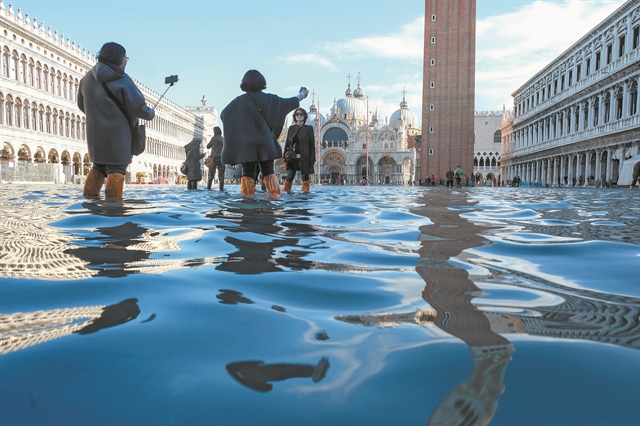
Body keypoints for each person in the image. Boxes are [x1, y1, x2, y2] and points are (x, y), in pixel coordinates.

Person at [78, 42, 155, 200]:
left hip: (95, 136)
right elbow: (138, 107)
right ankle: (113, 211)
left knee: (98, 168)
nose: (126, 61)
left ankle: (90, 207)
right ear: (120, 59)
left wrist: (99, 115)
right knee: (116, 169)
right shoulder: (122, 79)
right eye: (126, 58)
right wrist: (150, 113)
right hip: (118, 137)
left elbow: (81, 104)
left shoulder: (86, 79)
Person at [220, 70, 308, 196]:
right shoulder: (271, 99)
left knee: (248, 173)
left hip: (247, 145)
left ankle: (247, 202)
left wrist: (240, 128)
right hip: (266, 143)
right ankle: (274, 200)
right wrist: (302, 94)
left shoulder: (238, 102)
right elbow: (290, 102)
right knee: (268, 172)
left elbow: (224, 115)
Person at [283, 108, 316, 193]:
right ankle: (286, 192)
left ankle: (305, 193)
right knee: (289, 176)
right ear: (295, 117)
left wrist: (312, 159)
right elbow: (287, 144)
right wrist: (285, 158)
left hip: (304, 157)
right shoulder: (291, 128)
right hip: (292, 157)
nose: (299, 116)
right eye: (297, 114)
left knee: (305, 177)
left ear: (304, 116)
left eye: (301, 114)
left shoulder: (309, 129)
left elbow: (312, 145)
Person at [206, 126, 225, 191]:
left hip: (213, 158)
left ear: (215, 132)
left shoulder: (213, 139)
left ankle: (208, 188)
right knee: (221, 176)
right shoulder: (223, 139)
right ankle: (221, 189)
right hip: (221, 158)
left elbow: (208, 146)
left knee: (211, 175)